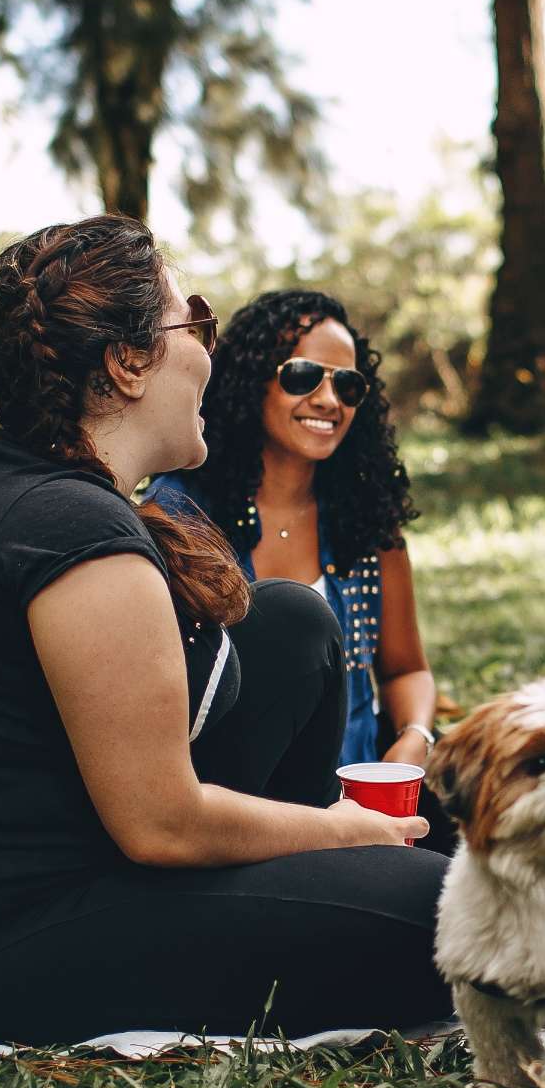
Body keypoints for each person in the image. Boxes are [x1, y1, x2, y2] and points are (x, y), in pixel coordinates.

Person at [0, 217, 451, 1045]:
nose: (208, 350)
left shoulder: (48, 491)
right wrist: (348, 828)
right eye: (192, 321)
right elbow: (162, 825)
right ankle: (343, 879)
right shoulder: (69, 531)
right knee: (448, 915)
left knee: (292, 622)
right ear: (127, 364)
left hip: (70, 852)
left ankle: (328, 880)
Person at [144, 291, 438, 781]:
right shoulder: (181, 513)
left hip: (357, 799)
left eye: (347, 385)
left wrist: (414, 739)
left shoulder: (366, 520)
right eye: (302, 376)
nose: (327, 400)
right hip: (235, 803)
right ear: (250, 380)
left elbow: (406, 669)